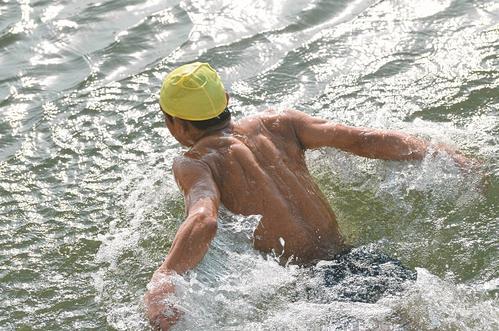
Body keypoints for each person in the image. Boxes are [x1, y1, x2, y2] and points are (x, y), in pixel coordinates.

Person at [144, 62, 472, 330]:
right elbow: (363, 139)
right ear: (226, 99)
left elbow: (203, 218)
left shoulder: (195, 162)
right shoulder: (280, 123)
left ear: (176, 124)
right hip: (361, 258)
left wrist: (165, 275)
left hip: (319, 286)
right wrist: (433, 151)